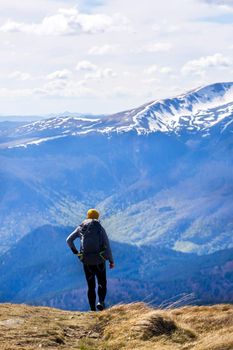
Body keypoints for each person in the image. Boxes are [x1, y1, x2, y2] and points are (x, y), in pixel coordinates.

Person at [66, 208, 115, 311]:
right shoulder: (100, 228)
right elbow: (107, 245)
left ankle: (92, 310)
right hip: (99, 260)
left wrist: (77, 253)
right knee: (102, 282)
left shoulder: (81, 228)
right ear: (97, 217)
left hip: (86, 261)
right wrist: (111, 261)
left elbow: (69, 240)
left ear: (87, 216)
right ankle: (100, 302)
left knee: (91, 286)